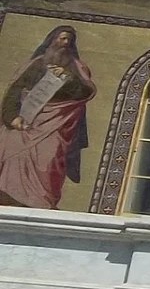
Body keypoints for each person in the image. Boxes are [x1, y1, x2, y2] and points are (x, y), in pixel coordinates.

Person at [0, 26, 95, 209]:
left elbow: (85, 92)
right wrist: (12, 118)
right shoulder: (35, 64)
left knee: (49, 157)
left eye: (69, 40)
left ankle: (42, 202)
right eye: (61, 39)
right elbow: (15, 91)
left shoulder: (78, 68)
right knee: (11, 147)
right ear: (51, 41)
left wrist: (67, 78)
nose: (65, 43)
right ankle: (8, 197)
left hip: (56, 124)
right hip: (25, 120)